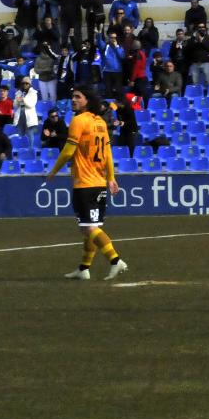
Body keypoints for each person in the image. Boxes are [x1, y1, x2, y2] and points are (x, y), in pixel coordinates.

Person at [44, 87, 129, 281]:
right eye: (72, 96)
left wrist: (53, 171)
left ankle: (116, 261)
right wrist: (111, 177)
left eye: (77, 97)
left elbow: (67, 151)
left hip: (85, 183)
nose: (73, 100)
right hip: (98, 182)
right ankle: (84, 268)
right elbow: (107, 153)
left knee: (89, 228)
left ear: (87, 101)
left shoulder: (78, 120)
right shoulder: (100, 122)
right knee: (89, 227)